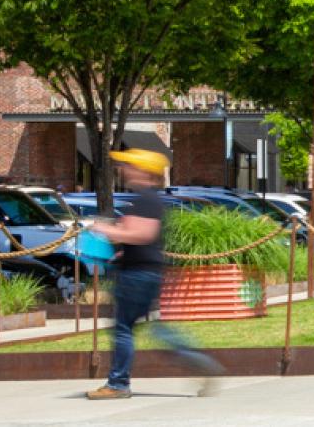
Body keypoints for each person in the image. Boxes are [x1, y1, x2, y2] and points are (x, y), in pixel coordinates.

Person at [87, 149, 222, 401]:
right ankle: (197, 360)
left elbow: (143, 234)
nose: (124, 169)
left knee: (123, 328)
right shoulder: (148, 200)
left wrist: (107, 230)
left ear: (142, 171)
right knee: (155, 328)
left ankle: (117, 384)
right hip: (146, 271)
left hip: (136, 276)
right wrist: (121, 250)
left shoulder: (144, 201)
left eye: (129, 165)